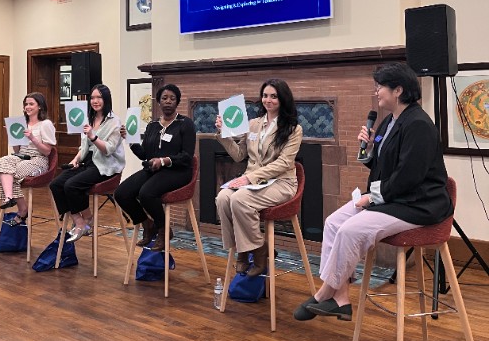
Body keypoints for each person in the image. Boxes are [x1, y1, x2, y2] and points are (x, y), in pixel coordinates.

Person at [294, 62, 453, 322]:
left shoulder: (419, 125)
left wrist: (373, 197)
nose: (377, 92)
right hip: (394, 198)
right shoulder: (390, 121)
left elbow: (409, 176)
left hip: (417, 204)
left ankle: (325, 293)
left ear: (398, 90)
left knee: (350, 230)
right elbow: (385, 166)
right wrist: (367, 153)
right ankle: (342, 298)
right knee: (333, 223)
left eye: (380, 87)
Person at [215, 79, 303, 277]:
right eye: (265, 95)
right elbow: (239, 155)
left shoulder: (293, 129)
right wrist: (223, 134)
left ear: (282, 99)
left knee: (239, 199)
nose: (268, 100)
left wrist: (249, 179)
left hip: (281, 183)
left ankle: (258, 249)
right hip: (253, 182)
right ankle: (242, 251)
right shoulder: (253, 124)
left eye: (273, 96)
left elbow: (283, 164)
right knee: (222, 198)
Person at [114, 83, 195, 252]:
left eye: (172, 98)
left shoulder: (185, 124)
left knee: (146, 193)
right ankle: (147, 224)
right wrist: (130, 139)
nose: (168, 101)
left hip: (178, 171)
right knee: (121, 193)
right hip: (154, 170)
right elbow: (145, 155)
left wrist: (164, 160)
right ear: (158, 101)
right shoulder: (152, 126)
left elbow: (187, 157)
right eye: (164, 98)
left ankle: (163, 230)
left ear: (177, 102)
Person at [50, 84, 125, 242]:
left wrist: (93, 136)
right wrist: (76, 158)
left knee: (71, 185)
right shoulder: (89, 118)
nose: (95, 101)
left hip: (105, 164)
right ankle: (80, 221)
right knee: (56, 184)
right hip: (87, 161)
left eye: (99, 97)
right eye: (92, 98)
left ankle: (87, 219)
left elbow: (108, 150)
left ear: (106, 99)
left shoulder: (114, 121)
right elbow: (84, 146)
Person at [0, 93, 56, 226]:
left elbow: (47, 151)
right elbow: (17, 151)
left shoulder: (45, 124)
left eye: (31, 104)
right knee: (3, 162)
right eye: (26, 104)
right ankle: (9, 197)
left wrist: (32, 138)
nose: (27, 107)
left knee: (12, 173)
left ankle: (22, 210)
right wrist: (12, 135)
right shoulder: (21, 123)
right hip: (21, 157)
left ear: (40, 106)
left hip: (38, 160)